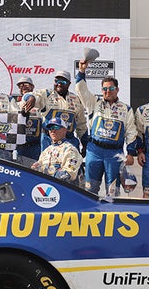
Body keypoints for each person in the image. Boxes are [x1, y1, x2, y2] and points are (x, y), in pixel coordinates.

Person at [75, 60, 137, 195]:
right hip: (94, 151)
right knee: (89, 189)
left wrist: (131, 153)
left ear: (117, 90)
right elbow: (80, 89)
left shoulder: (125, 109)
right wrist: (81, 71)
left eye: (111, 88)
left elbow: (131, 132)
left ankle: (112, 215)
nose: (107, 91)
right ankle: (89, 214)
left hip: (114, 153)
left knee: (113, 191)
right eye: (104, 89)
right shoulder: (94, 103)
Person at [25, 70, 87, 152]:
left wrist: (85, 143)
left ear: (69, 84)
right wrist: (31, 97)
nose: (59, 83)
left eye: (63, 81)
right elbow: (29, 96)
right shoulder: (46, 94)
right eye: (57, 81)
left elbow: (81, 125)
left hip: (69, 140)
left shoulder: (75, 99)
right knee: (48, 164)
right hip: (49, 140)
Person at [31, 118, 83, 183]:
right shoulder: (46, 151)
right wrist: (35, 168)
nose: (53, 131)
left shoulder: (70, 149)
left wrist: (48, 176)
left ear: (65, 130)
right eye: (50, 128)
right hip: (44, 185)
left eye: (56, 127)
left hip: (62, 188)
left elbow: (68, 173)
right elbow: (38, 168)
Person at [15, 76, 42, 163]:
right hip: (21, 147)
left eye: (26, 84)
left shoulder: (40, 103)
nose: (23, 87)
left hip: (37, 146)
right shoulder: (15, 105)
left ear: (32, 86)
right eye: (20, 85)